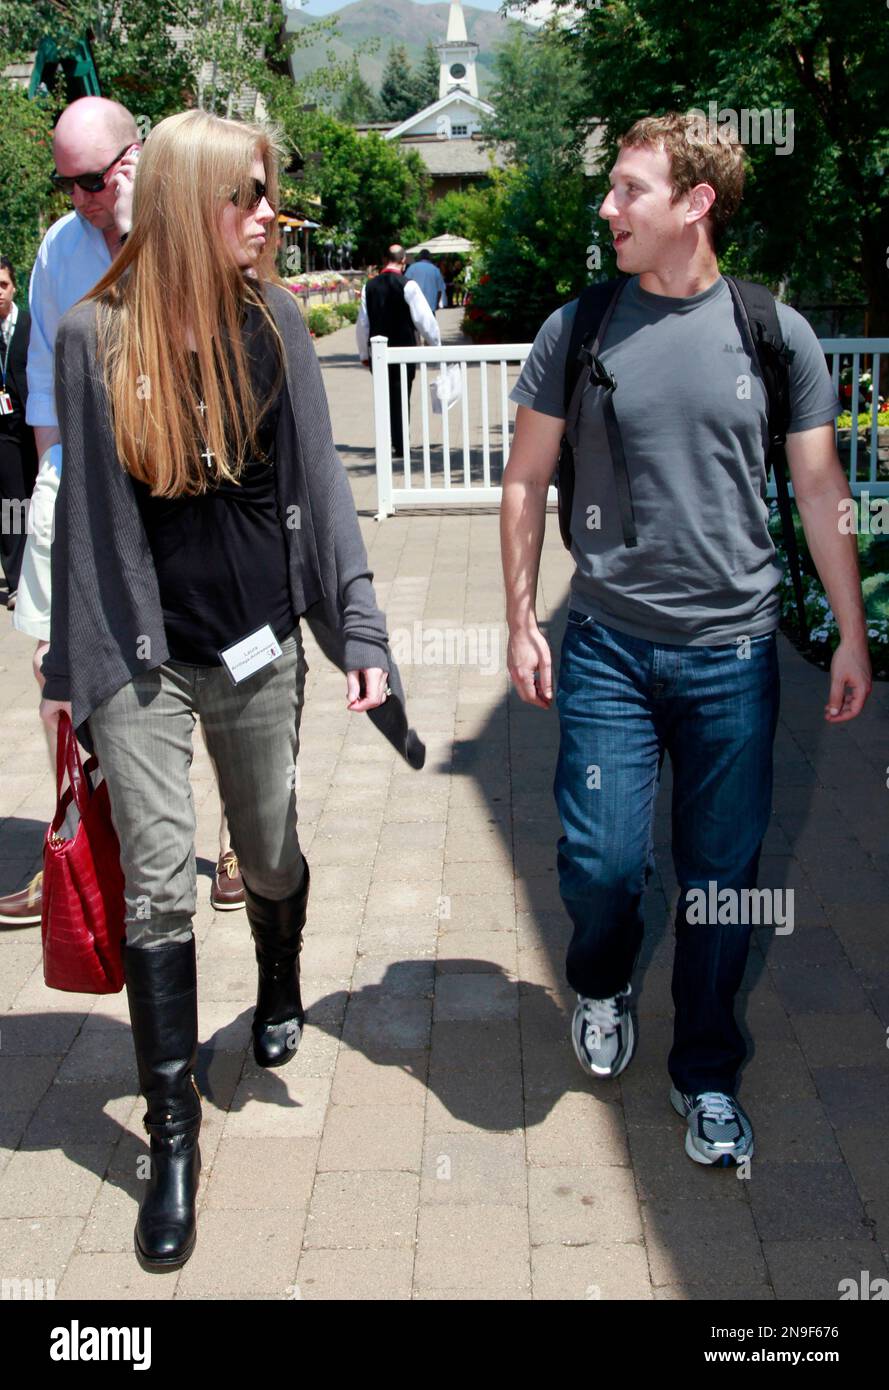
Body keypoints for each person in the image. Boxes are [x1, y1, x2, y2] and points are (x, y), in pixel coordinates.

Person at [40, 108, 422, 1271]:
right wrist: (71, 676)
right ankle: (170, 1139)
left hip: (259, 644)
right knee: (159, 883)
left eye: (270, 195)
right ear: (188, 202)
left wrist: (359, 630)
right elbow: (88, 535)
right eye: (250, 195)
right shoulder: (91, 336)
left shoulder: (276, 325)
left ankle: (279, 968)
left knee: (265, 851)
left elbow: (322, 486)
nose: (270, 216)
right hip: (142, 661)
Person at [501, 112, 871, 1166]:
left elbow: (816, 486)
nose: (608, 208)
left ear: (694, 204)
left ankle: (705, 1071)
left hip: (734, 657)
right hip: (608, 645)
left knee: (721, 878)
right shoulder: (578, 330)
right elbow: (525, 482)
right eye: (611, 190)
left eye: (630, 191)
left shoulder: (771, 334)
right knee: (605, 865)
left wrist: (850, 633)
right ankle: (604, 976)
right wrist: (520, 617)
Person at [0, 96, 242, 926]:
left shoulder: (187, 233)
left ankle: (238, 834)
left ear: (134, 160)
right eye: (67, 184)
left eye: (95, 181)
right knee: (55, 676)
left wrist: (143, 227)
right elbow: (41, 379)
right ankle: (78, 844)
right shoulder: (58, 251)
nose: (81, 200)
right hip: (80, 485)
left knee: (207, 661)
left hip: (182, 489)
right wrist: (51, 489)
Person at [356, 243, 440, 458]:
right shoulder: (408, 285)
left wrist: (364, 355)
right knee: (402, 396)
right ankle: (401, 443)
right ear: (403, 261)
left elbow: (363, 324)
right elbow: (424, 319)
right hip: (404, 351)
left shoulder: (369, 287)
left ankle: (388, 441)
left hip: (377, 353)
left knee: (384, 397)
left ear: (386, 259)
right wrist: (435, 345)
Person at [0, 257, 38, 609]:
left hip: (35, 426)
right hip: (4, 435)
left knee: (40, 501)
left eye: (3, 285)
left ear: (14, 288)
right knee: (12, 504)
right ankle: (15, 583)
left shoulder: (29, 323)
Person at [405, 247, 446, 315]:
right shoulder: (435, 270)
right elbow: (440, 289)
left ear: (420, 257)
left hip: (415, 306)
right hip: (430, 306)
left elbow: (405, 284)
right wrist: (437, 303)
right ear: (429, 257)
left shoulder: (412, 268)